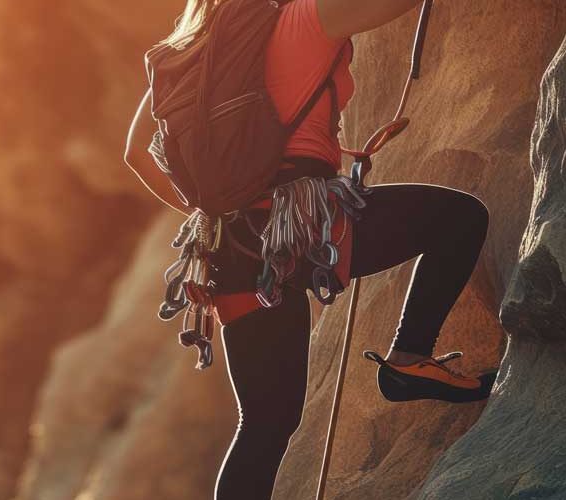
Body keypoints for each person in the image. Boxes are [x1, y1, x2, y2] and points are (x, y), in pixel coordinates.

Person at [122, 0, 494, 497]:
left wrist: (216, 209)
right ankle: (409, 358)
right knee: (459, 218)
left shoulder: (190, 48)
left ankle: (408, 364)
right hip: (303, 223)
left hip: (230, 247)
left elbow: (136, 153)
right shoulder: (304, 19)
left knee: (262, 426)